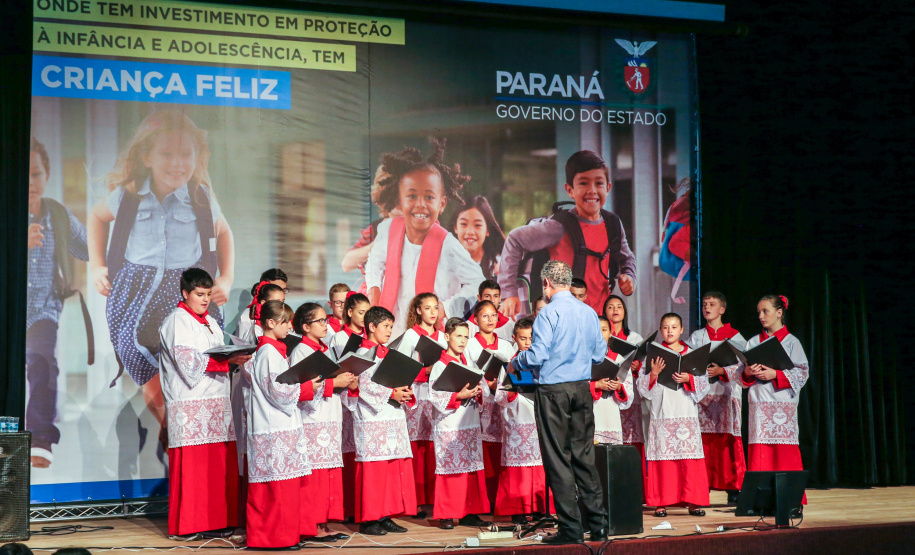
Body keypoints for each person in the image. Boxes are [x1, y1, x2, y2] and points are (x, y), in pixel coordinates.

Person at [88, 111, 237, 449]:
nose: (178, 163)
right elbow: (97, 217)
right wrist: (97, 266)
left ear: (197, 156)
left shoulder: (200, 197)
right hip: (138, 287)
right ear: (146, 157)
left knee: (194, 352)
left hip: (184, 287)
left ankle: (189, 422)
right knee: (135, 350)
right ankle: (169, 421)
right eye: (167, 154)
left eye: (186, 154)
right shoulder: (128, 195)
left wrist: (225, 278)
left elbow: (224, 233)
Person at [508, 260, 608, 544]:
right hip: (581, 389)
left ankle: (570, 530)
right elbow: (599, 356)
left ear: (547, 284)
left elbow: (536, 356)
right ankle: (599, 527)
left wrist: (517, 361)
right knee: (585, 458)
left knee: (558, 460)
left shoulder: (548, 313)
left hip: (553, 391)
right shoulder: (588, 312)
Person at [158, 268, 250, 540]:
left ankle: (216, 520)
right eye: (199, 294)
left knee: (216, 467)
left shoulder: (209, 320)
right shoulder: (177, 321)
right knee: (195, 470)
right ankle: (188, 525)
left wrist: (233, 356)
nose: (205, 299)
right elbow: (188, 364)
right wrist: (226, 361)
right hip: (191, 403)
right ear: (185, 293)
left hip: (215, 402)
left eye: (209, 294)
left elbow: (216, 353)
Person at [365, 138, 484, 335]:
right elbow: (374, 263)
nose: (420, 204)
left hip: (430, 335)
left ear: (442, 204)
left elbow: (477, 283)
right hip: (391, 331)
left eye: (429, 197)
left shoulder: (448, 245)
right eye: (411, 196)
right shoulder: (388, 230)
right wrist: (374, 291)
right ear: (400, 201)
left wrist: (445, 309)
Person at [498, 151, 636, 317]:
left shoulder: (613, 223)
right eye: (583, 183)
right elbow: (514, 239)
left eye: (599, 183)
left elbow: (626, 257)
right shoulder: (558, 227)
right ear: (570, 190)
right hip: (563, 321)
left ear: (608, 188)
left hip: (599, 322)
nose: (592, 190)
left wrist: (629, 276)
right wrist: (508, 293)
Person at [25, 136, 90, 468]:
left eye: (36, 174)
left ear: (47, 175)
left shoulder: (58, 216)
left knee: (43, 362)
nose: (30, 183)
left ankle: (39, 438)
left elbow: (92, 247)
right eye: (24, 174)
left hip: (42, 310)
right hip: (10, 311)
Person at [245, 300, 320, 549]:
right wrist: (308, 387)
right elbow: (277, 391)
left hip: (282, 425)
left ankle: (286, 535)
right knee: (274, 488)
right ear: (270, 323)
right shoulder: (266, 353)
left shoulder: (275, 350)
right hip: (271, 426)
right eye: (285, 321)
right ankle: (272, 537)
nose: (290, 326)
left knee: (285, 486)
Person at [290, 303, 357, 542]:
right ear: (305, 326)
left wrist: (345, 380)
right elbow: (306, 389)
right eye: (318, 321)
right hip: (313, 420)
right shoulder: (301, 351)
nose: (324, 324)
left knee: (327, 473)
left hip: (329, 417)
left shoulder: (325, 349)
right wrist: (334, 383)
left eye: (324, 320)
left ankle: (324, 523)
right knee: (315, 475)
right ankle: (311, 526)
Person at [350, 306, 416, 535]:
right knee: (374, 470)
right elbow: (363, 385)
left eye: (390, 326)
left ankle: (386, 515)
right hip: (372, 418)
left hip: (392, 415)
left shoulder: (388, 354)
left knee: (391, 467)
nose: (389, 331)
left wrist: (405, 391)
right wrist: (391, 393)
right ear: (371, 326)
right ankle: (369, 520)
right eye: (385, 326)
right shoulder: (360, 354)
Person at [637, 313, 710, 517]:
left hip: (685, 411)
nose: (670, 331)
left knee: (688, 457)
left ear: (681, 330)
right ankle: (662, 502)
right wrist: (653, 374)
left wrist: (689, 378)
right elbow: (642, 388)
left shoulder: (691, 353)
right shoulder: (654, 354)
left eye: (674, 327)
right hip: (662, 411)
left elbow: (703, 384)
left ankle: (693, 501)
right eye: (666, 327)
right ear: (661, 329)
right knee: (664, 458)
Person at [740, 295, 809, 505]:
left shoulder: (791, 342)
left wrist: (776, 375)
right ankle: (760, 501)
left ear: (779, 312)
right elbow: (739, 376)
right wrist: (748, 371)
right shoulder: (752, 342)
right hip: (759, 406)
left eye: (765, 311)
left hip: (782, 406)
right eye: (759, 312)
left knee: (784, 454)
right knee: (760, 454)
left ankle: (790, 499)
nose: (761, 316)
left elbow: (803, 373)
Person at [427, 317, 491, 529]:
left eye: (466, 336)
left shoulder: (469, 363)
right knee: (451, 468)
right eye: (458, 336)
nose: (462, 341)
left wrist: (480, 391)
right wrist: (459, 395)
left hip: (469, 422)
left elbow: (484, 388)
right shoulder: (439, 366)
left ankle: (469, 512)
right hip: (450, 424)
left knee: (470, 469)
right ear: (447, 336)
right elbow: (435, 397)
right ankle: (447, 513)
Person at [687, 291, 747, 504]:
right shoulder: (696, 336)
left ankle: (734, 488)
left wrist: (722, 371)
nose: (706, 307)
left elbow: (743, 366)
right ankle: (703, 484)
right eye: (704, 304)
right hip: (704, 395)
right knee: (704, 441)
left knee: (727, 442)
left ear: (722, 309)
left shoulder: (735, 336)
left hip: (725, 394)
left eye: (711, 304)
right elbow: (688, 360)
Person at [493, 318, 552, 523]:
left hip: (539, 419)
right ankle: (518, 508)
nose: (527, 342)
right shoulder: (508, 364)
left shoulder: (542, 362)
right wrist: (512, 390)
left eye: (531, 338)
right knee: (519, 469)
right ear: (514, 338)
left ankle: (538, 507)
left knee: (539, 466)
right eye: (523, 338)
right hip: (517, 421)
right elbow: (499, 397)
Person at [393, 292, 446, 515]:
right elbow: (401, 369)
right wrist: (426, 371)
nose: (432, 313)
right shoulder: (410, 336)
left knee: (434, 447)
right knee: (417, 447)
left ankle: (434, 498)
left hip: (437, 396)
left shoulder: (443, 337)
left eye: (436, 308)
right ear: (418, 310)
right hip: (417, 395)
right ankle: (414, 500)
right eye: (427, 308)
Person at [463, 300, 516, 510]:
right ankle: (483, 501)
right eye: (484, 316)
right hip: (478, 404)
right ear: (475, 319)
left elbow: (513, 374)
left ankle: (499, 499)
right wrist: (484, 384)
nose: (490, 320)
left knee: (500, 450)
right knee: (481, 450)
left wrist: (499, 385)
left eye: (493, 315)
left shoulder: (506, 345)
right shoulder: (469, 345)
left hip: (501, 404)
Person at [602, 295, 647, 488]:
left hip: (627, 393)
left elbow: (643, 367)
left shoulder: (634, 338)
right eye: (610, 307)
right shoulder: (599, 340)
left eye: (619, 306)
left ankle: (633, 486)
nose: (615, 310)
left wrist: (637, 366)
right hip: (604, 400)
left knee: (630, 438)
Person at [590, 316, 634, 445]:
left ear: (610, 333)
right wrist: (596, 385)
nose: (599, 333)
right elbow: (575, 386)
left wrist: (619, 387)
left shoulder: (619, 359)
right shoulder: (583, 358)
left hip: (610, 411)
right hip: (590, 411)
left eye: (604, 330)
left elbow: (628, 388)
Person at [449, 195, 505, 280]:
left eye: (477, 225)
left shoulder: (500, 267)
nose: (470, 232)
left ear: (487, 230)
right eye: (464, 224)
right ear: (455, 228)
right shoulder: (445, 263)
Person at [237, 269, 288, 341]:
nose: (280, 292)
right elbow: (242, 346)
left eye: (284, 290)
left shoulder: (285, 312)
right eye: (274, 288)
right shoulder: (247, 316)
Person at [327, 292, 370, 357]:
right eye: (361, 313)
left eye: (367, 313)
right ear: (350, 312)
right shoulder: (339, 337)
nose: (365, 317)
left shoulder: (370, 335)